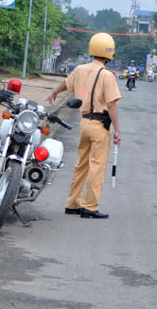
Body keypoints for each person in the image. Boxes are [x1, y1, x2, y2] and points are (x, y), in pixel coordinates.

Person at [47, 32, 121, 219]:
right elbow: (111, 104)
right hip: (100, 126)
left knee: (81, 165)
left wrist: (54, 93)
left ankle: (72, 203)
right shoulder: (107, 75)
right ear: (109, 53)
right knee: (97, 166)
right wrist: (117, 130)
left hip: (84, 123)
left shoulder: (80, 69)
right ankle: (89, 206)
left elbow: (66, 83)